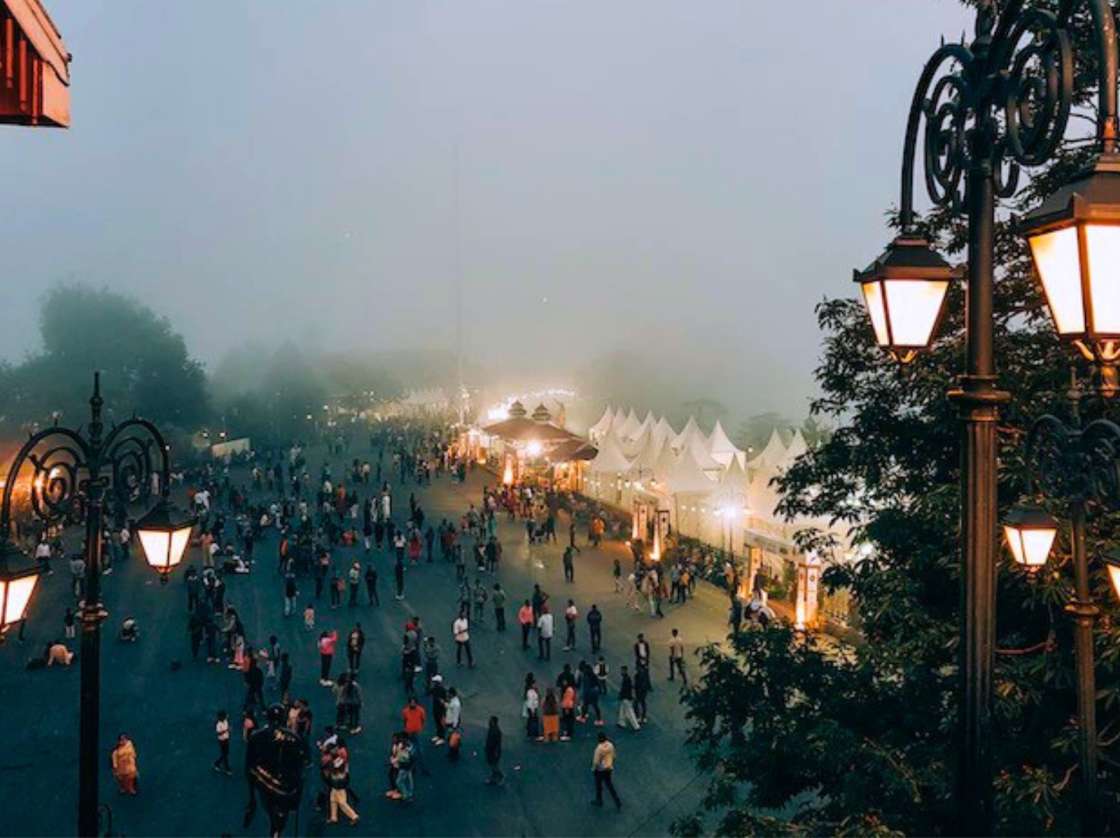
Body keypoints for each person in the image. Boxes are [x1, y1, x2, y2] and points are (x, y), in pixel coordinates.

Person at [591, 731, 622, 810]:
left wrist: (594, 769)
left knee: (598, 785)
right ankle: (617, 800)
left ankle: (599, 800)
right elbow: (614, 756)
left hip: (600, 770)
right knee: (609, 785)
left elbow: (596, 761)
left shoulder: (598, 749)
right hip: (608, 768)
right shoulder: (610, 745)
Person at [484, 716, 504, 785]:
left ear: (493, 722)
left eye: (490, 721)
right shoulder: (492, 729)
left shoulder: (496, 731)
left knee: (494, 765)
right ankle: (493, 778)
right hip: (490, 750)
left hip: (494, 751)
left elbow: (497, 743)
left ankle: (500, 776)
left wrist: (496, 752)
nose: (489, 722)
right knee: (492, 765)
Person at [213, 710, 232, 775]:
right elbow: (218, 733)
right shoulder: (219, 724)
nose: (227, 716)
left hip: (226, 739)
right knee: (225, 755)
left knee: (226, 753)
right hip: (222, 741)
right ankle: (227, 769)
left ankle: (216, 764)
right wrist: (227, 730)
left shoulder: (225, 720)